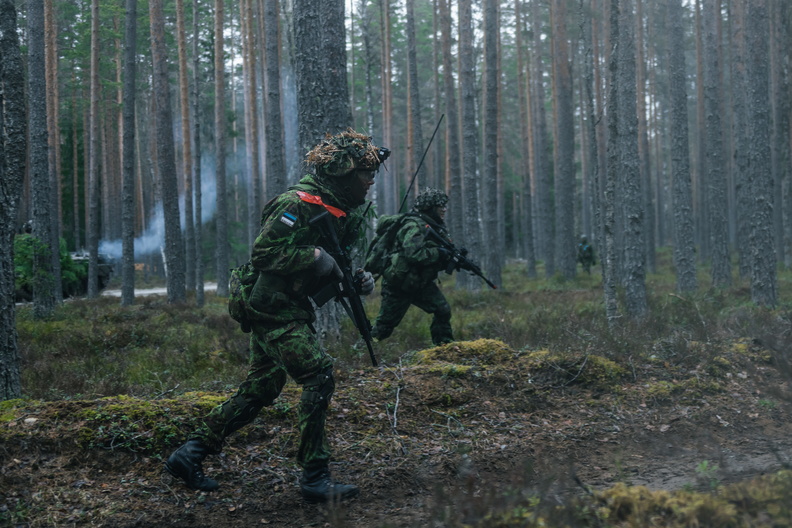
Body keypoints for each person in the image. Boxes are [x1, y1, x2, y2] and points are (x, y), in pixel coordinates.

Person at [165, 129, 388, 503]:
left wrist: (357, 280)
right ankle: (315, 476)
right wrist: (316, 258)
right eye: (365, 174)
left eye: (372, 175)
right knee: (319, 376)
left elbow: (335, 265)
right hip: (270, 307)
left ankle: (188, 455)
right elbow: (264, 254)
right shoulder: (297, 204)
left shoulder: (340, 211)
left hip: (290, 306)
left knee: (262, 388)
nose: (370, 182)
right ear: (343, 174)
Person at [367, 188, 456, 346]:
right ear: (430, 207)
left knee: (443, 310)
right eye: (440, 205)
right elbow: (414, 254)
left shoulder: (434, 226)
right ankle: (363, 353)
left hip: (420, 284)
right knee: (383, 328)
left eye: (444, 205)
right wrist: (438, 253)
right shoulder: (414, 225)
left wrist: (448, 257)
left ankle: (444, 347)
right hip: (399, 286)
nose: (444, 209)